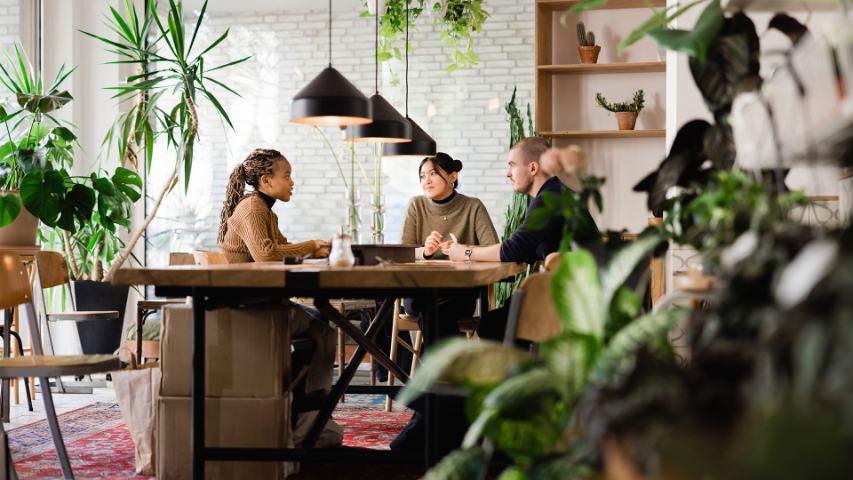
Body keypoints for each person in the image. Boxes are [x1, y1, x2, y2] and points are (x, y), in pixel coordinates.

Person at [217, 148, 341, 447]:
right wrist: (310, 245)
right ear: (265, 180)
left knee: (322, 327)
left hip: (260, 301)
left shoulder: (264, 209)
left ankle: (307, 414)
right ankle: (309, 419)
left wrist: (314, 250)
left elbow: (281, 248)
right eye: (286, 176)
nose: (292, 182)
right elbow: (267, 255)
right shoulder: (253, 209)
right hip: (248, 306)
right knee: (323, 330)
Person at [390, 153, 499, 454]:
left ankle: (432, 404)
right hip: (421, 293)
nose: (425, 179)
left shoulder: (472, 206)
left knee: (438, 314)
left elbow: (493, 247)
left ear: (452, 176)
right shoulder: (416, 205)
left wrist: (462, 250)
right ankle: (447, 403)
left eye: (433, 174)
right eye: (422, 174)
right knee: (432, 310)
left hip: (456, 294)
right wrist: (424, 252)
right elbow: (402, 252)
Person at [445, 137, 600, 341]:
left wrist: (464, 252)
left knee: (490, 325)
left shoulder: (548, 201)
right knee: (498, 317)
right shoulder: (556, 194)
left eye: (512, 165)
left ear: (533, 168)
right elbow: (523, 247)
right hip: (581, 299)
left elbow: (514, 249)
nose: (508, 173)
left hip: (573, 306)